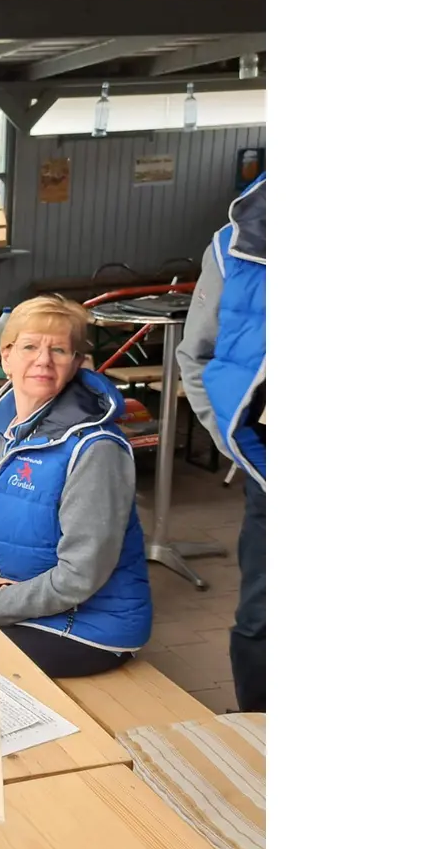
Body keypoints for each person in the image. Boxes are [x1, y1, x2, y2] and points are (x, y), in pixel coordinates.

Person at [0, 296, 153, 679]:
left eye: (58, 349)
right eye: (29, 346)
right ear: (5, 356)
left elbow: (79, 577)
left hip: (86, 627)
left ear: (75, 364)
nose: (43, 360)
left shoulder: (95, 448)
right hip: (15, 599)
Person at [176, 173, 266, 713]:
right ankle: (255, 734)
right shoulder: (236, 241)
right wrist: (238, 449)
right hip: (272, 472)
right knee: (262, 617)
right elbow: (197, 357)